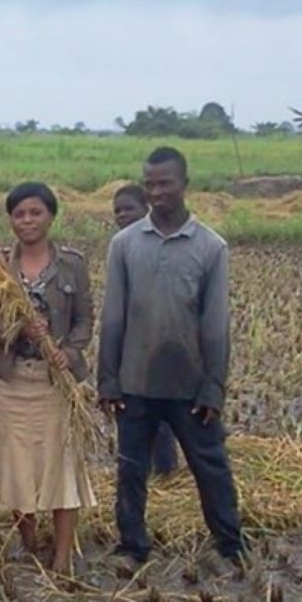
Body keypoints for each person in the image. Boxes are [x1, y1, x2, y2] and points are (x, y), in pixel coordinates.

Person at [97, 147, 245, 573]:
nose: (157, 191)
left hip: (189, 384)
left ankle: (229, 544)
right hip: (134, 380)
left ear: (185, 184)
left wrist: (213, 385)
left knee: (210, 466)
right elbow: (113, 317)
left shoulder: (210, 246)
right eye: (150, 184)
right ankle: (132, 544)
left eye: (165, 183)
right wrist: (108, 380)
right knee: (130, 470)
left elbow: (216, 323)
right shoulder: (124, 244)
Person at [0, 182, 95, 574]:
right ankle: (28, 543)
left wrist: (69, 352)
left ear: (51, 216)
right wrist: (16, 331)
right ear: (10, 220)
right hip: (13, 382)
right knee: (16, 465)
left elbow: (83, 320)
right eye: (19, 214)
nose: (27, 221)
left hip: (55, 383)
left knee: (62, 468)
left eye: (35, 212)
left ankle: (61, 557)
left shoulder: (72, 265)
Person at [111, 184, 180, 479]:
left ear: (146, 209)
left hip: (164, 344)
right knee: (132, 413)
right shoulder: (123, 245)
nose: (122, 215)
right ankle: (142, 472)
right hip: (131, 346)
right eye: (117, 211)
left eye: (129, 209)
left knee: (161, 414)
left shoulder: (162, 244)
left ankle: (165, 472)